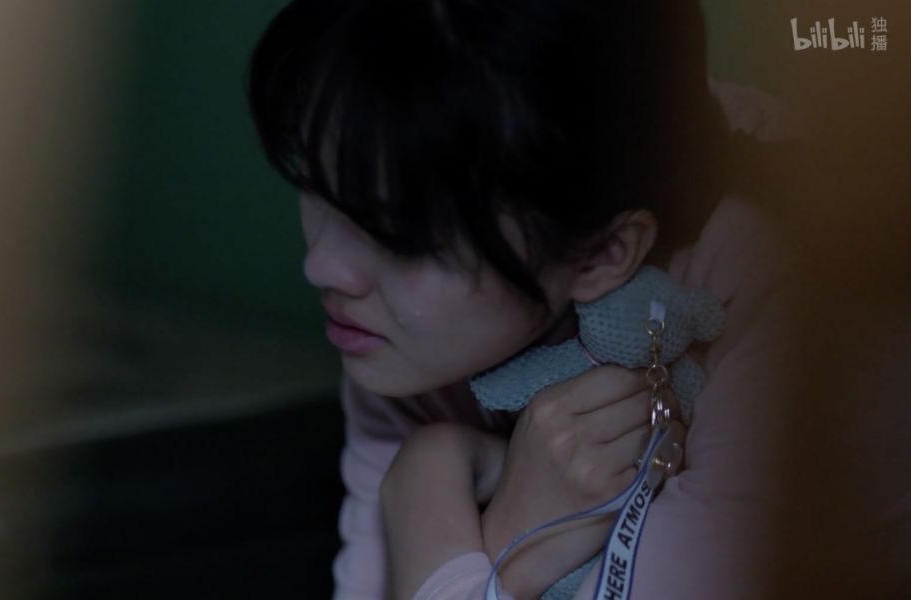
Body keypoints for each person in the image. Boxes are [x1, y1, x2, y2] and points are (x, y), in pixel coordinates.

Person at [245, 0, 792, 598]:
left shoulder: (794, 315)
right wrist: (509, 534)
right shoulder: (394, 327)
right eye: (316, 186)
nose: (322, 265)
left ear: (603, 255)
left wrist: (429, 503)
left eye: (399, 235)